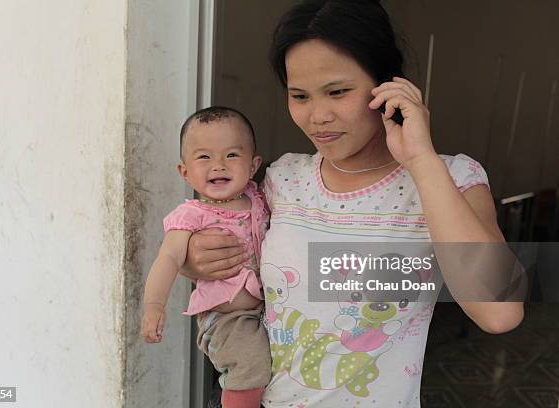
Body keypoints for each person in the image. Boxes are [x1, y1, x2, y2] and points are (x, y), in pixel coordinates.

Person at [182, 0, 525, 407]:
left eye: (338, 91)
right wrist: (194, 258)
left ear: (386, 86)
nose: (317, 116)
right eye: (300, 96)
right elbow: (227, 255)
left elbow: (499, 312)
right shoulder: (282, 179)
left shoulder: (451, 179)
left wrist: (420, 159)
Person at [140, 106, 271, 408]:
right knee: (250, 364)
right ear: (184, 172)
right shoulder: (191, 215)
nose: (218, 165)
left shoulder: (259, 198)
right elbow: (168, 259)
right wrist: (154, 306)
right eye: (204, 157)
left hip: (265, 311)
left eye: (232, 155)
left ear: (253, 166)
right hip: (227, 318)